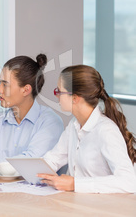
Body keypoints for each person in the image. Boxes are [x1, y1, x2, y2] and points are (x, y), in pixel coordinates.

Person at [0, 54, 64, 179]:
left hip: (40, 193)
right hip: (5, 191)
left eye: (5, 84)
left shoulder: (50, 122)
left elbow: (32, 160)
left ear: (26, 90)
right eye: (0, 83)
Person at [39, 65, 136, 193]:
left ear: (75, 98)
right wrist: (31, 171)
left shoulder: (106, 131)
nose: (56, 96)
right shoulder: (74, 125)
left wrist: (75, 184)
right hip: (78, 204)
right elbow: (54, 158)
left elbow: (128, 181)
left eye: (59, 91)